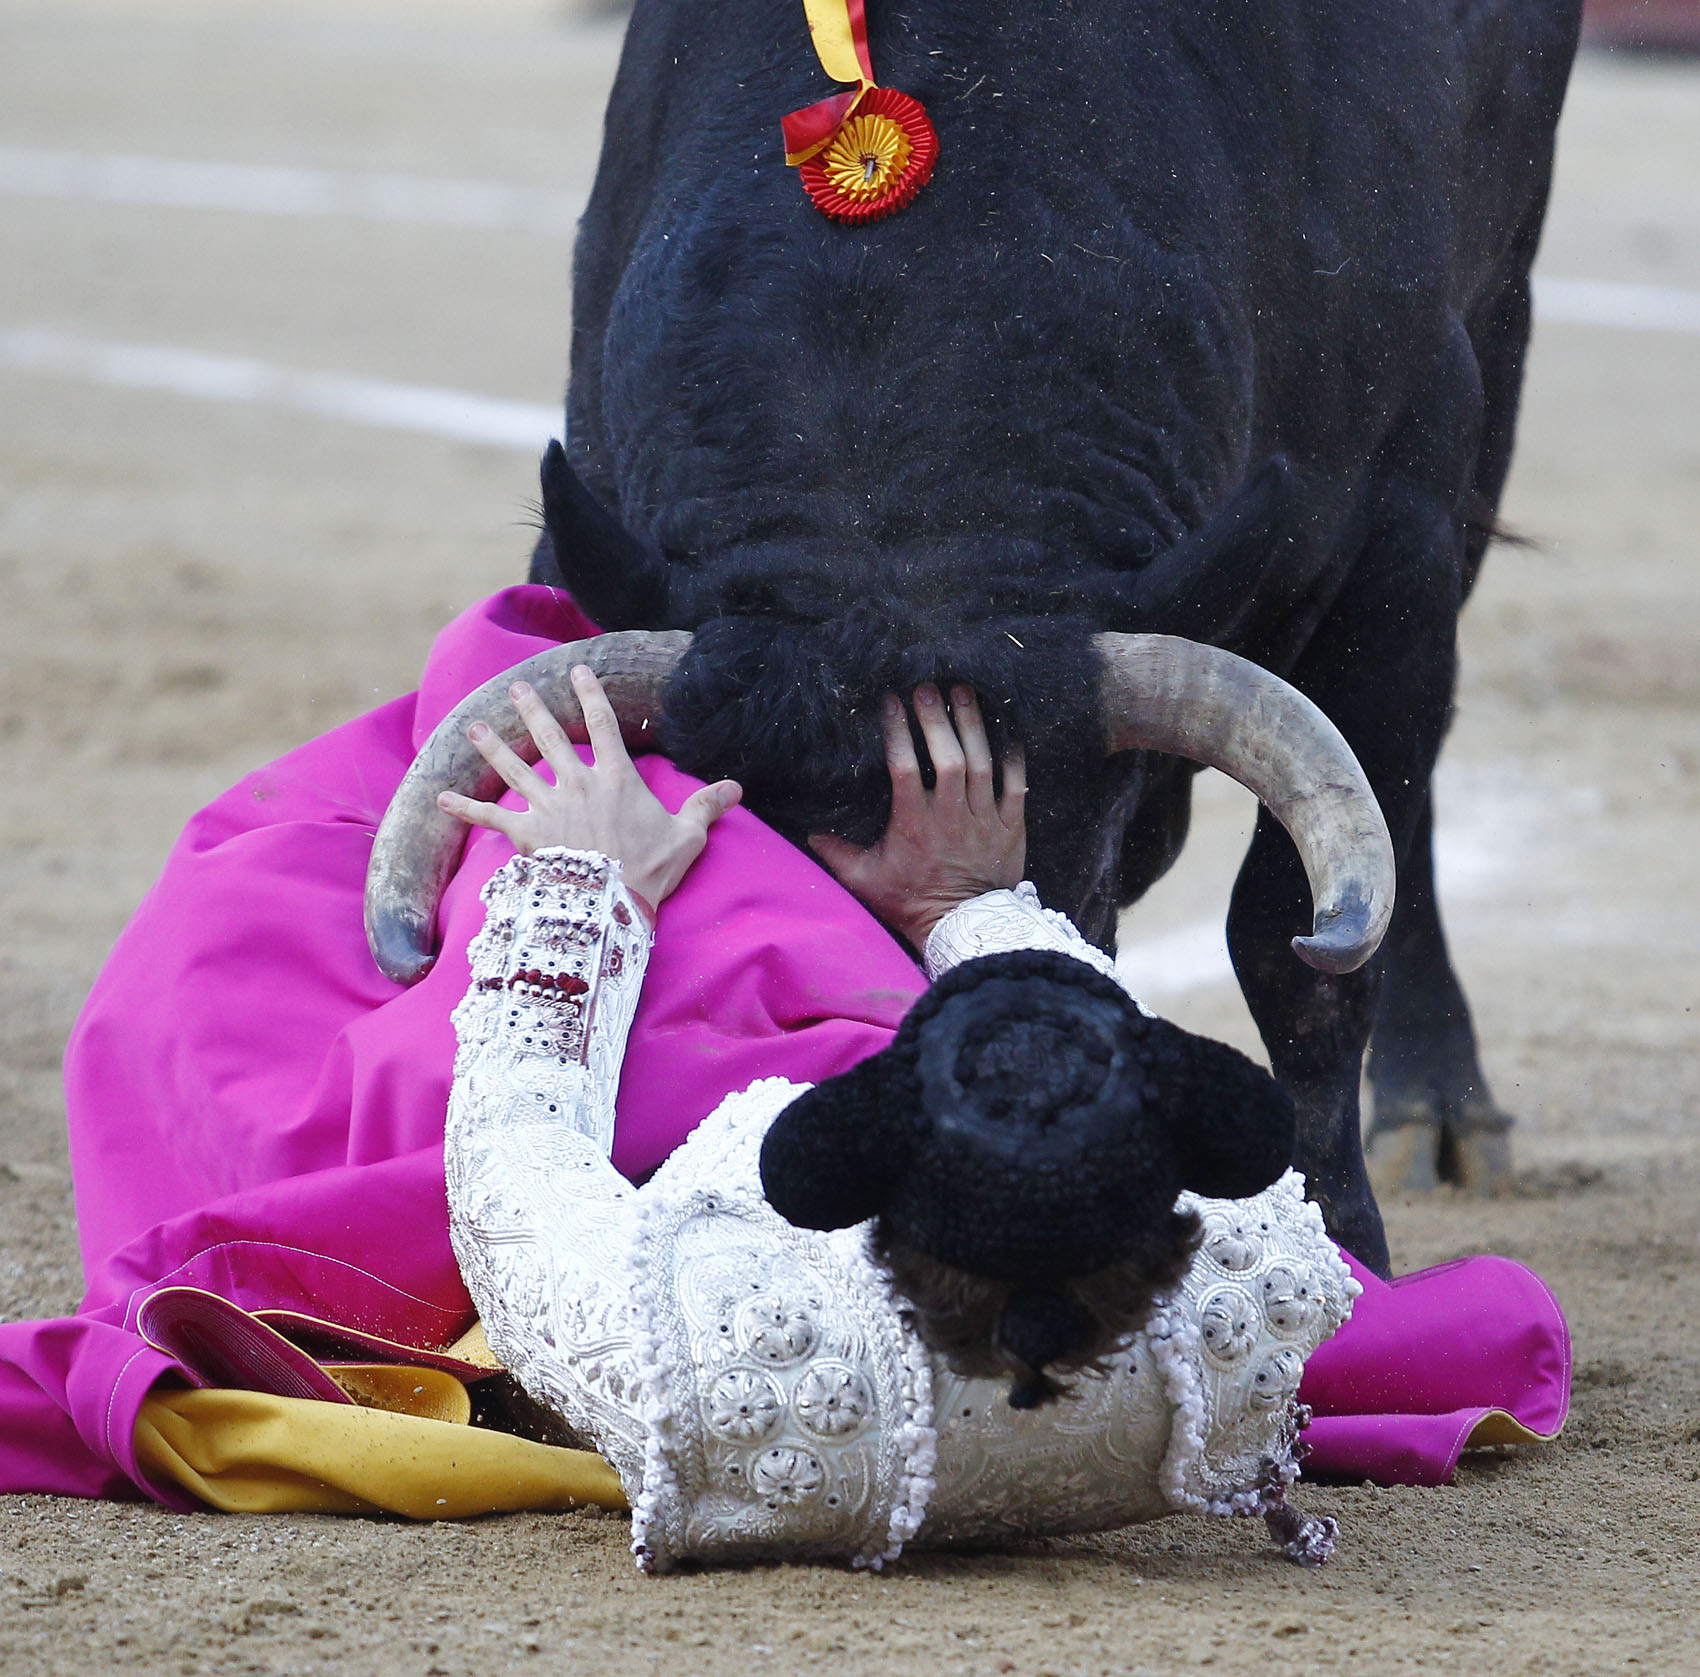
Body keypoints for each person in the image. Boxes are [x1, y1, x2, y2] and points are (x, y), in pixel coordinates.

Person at [437, 664, 1356, 1569]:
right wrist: (964, 903)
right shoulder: (1261, 1292)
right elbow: (1126, 1067)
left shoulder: (711, 1354)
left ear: (858, 1161)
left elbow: (510, 1164)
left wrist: (589, 882)